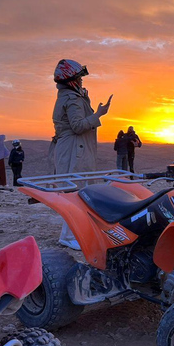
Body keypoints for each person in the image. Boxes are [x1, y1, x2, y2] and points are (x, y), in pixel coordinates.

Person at [52, 58, 112, 249]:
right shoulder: (71, 99)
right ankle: (70, 236)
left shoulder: (71, 96)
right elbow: (78, 126)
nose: (81, 81)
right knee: (75, 192)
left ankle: (69, 234)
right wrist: (99, 114)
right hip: (74, 149)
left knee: (75, 191)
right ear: (71, 79)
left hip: (74, 147)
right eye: (79, 78)